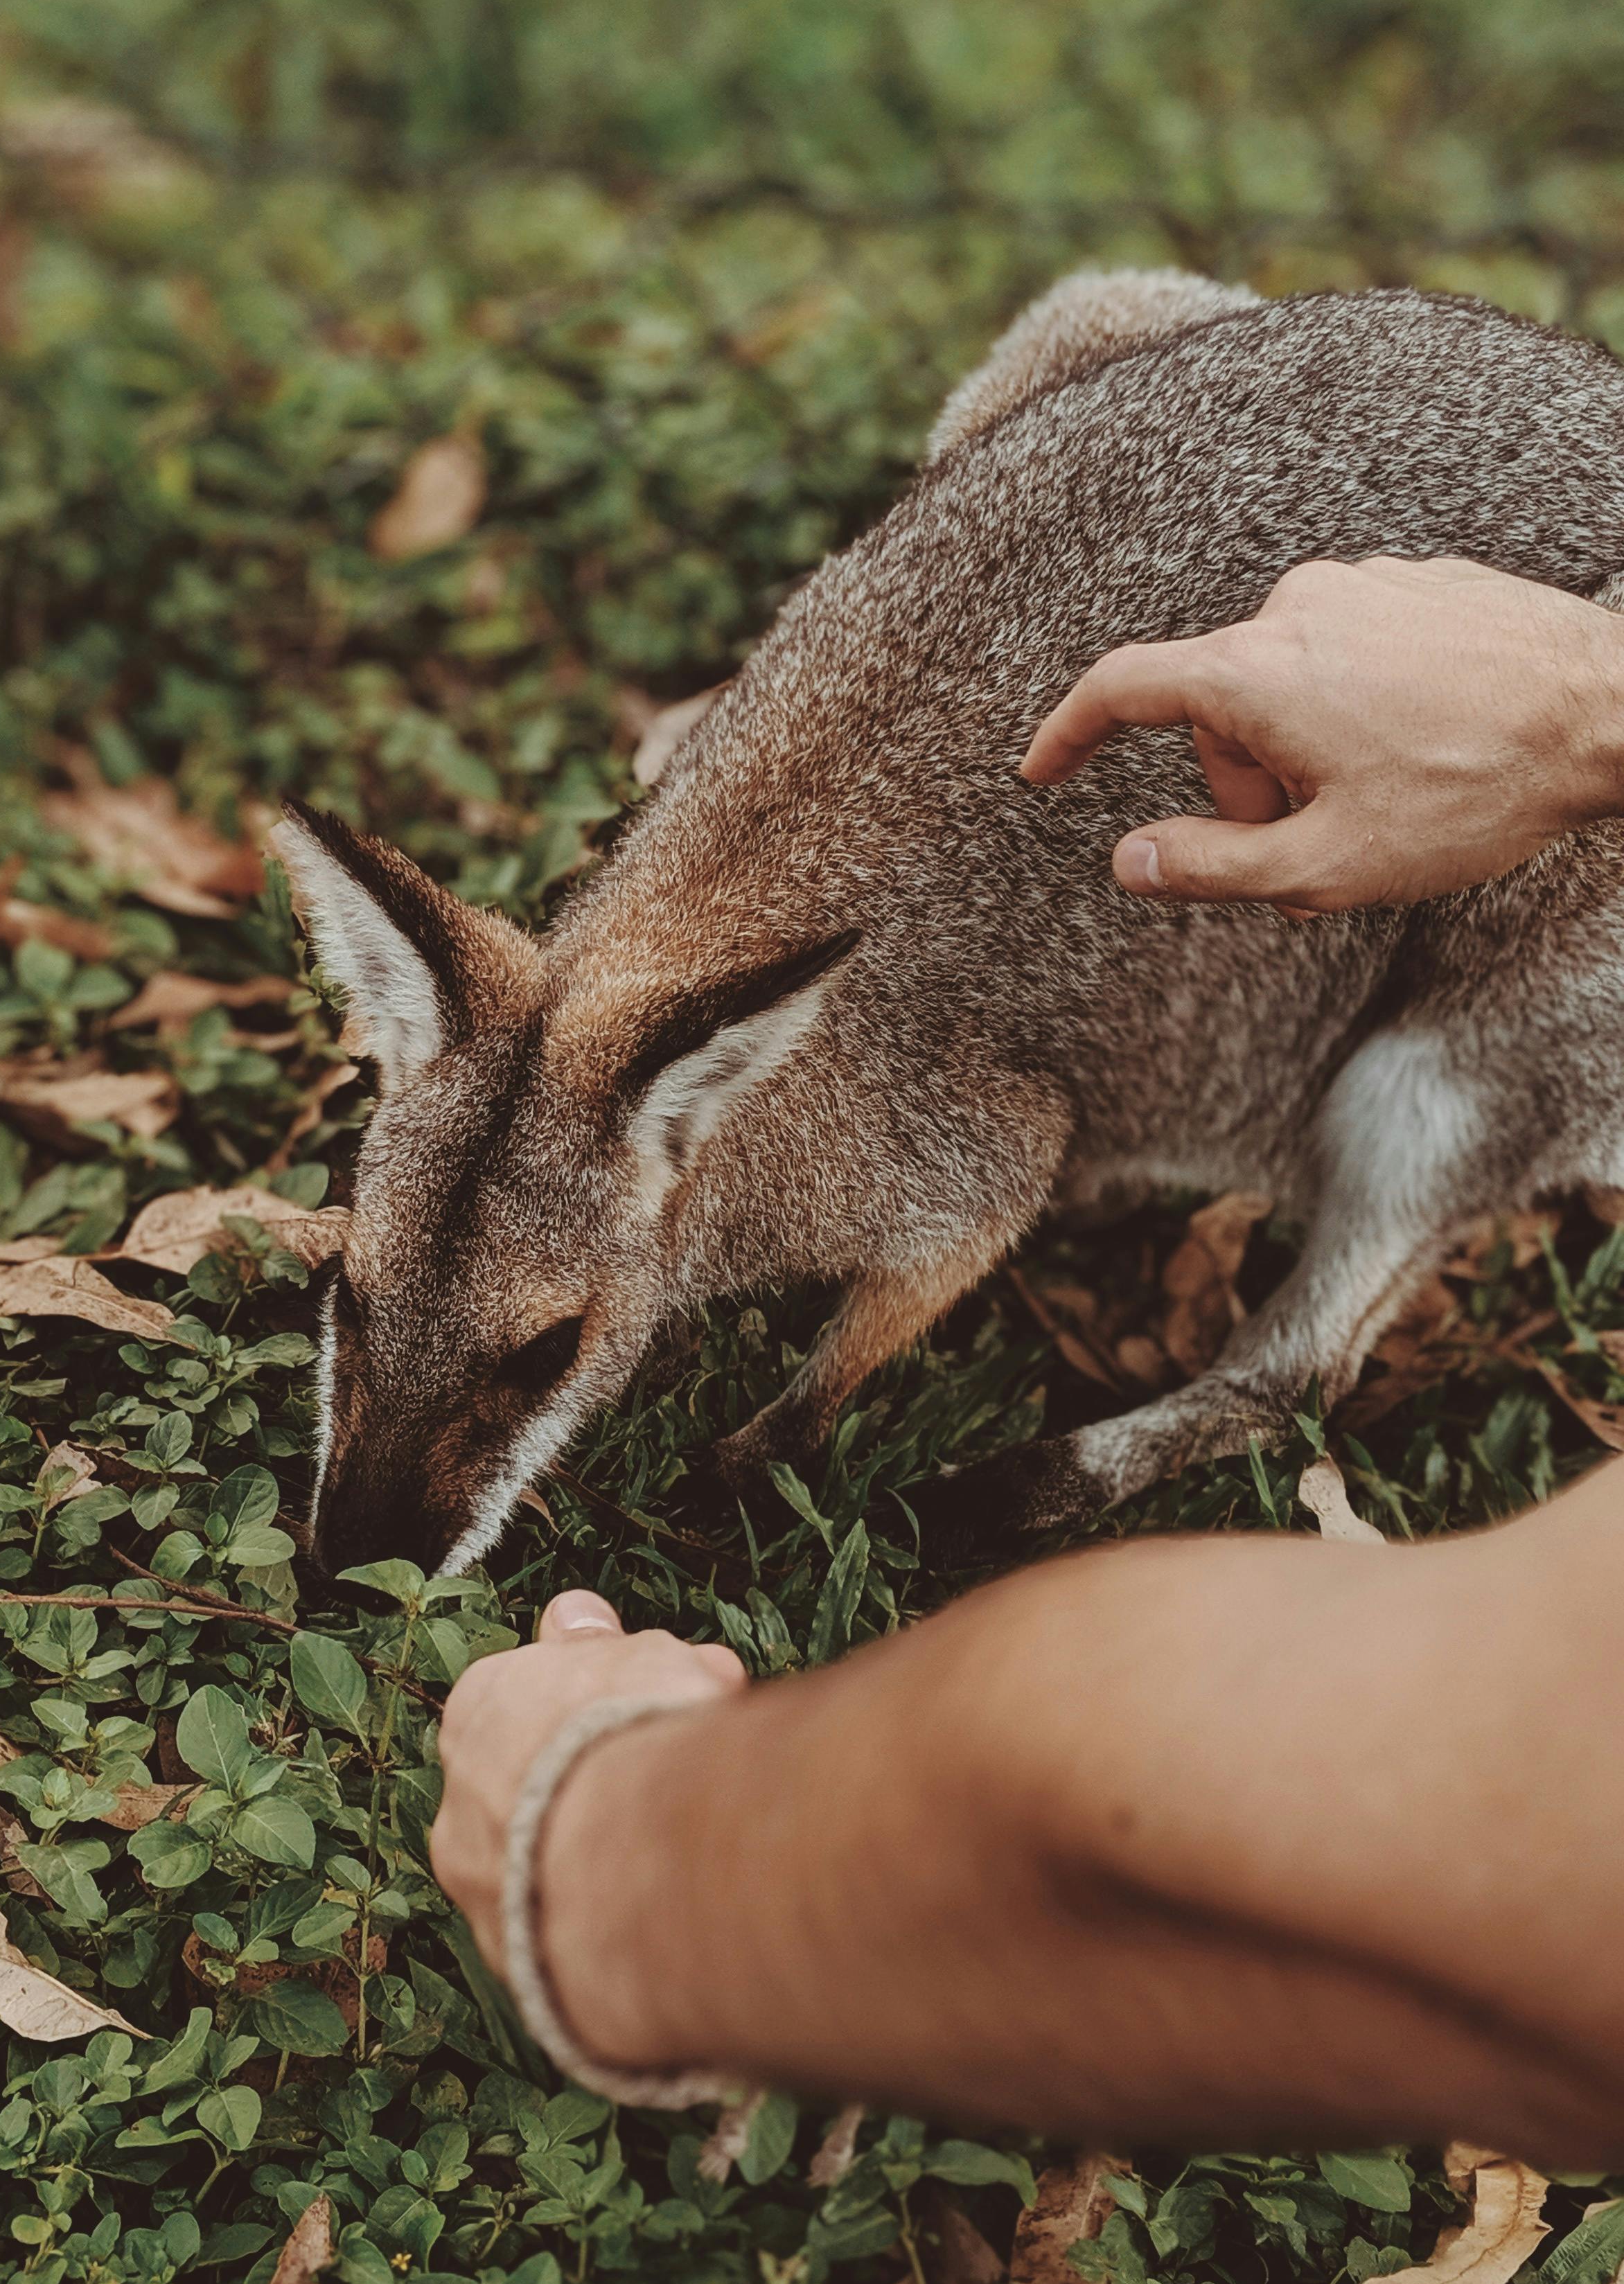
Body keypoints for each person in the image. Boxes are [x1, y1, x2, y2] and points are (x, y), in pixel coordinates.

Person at [428, 553, 1624, 2160]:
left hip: (1474, 945)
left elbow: (1144, 1773)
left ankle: (1267, 1377)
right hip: (1474, 673)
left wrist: (619, 1862)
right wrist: (1573, 694)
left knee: (1416, 1104)